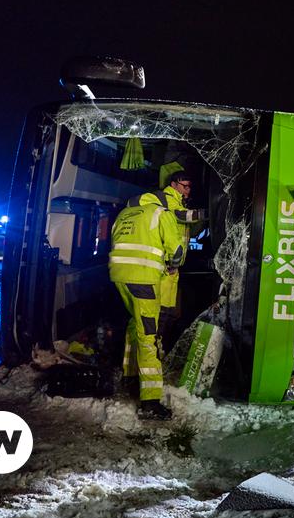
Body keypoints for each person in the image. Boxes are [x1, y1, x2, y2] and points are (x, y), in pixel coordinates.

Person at [109, 196, 184, 420]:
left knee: (135, 322)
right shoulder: (162, 213)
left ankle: (130, 374)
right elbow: (177, 251)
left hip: (119, 277)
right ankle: (150, 401)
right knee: (148, 337)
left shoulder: (124, 214)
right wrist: (172, 266)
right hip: (144, 281)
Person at [127, 170, 206, 345]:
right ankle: (149, 354)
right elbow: (181, 215)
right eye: (185, 186)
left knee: (167, 315)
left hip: (172, 268)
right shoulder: (168, 199)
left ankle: (157, 349)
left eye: (189, 187)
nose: (188, 190)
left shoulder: (178, 202)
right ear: (174, 185)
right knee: (156, 316)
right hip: (163, 267)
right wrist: (206, 213)